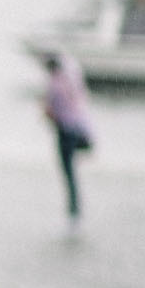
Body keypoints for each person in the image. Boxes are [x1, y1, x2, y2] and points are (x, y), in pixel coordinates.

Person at [41, 50, 95, 223]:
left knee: (67, 172)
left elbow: (49, 112)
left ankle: (73, 210)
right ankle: (75, 208)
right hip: (76, 129)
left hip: (64, 131)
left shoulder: (54, 85)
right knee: (72, 172)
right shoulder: (69, 81)